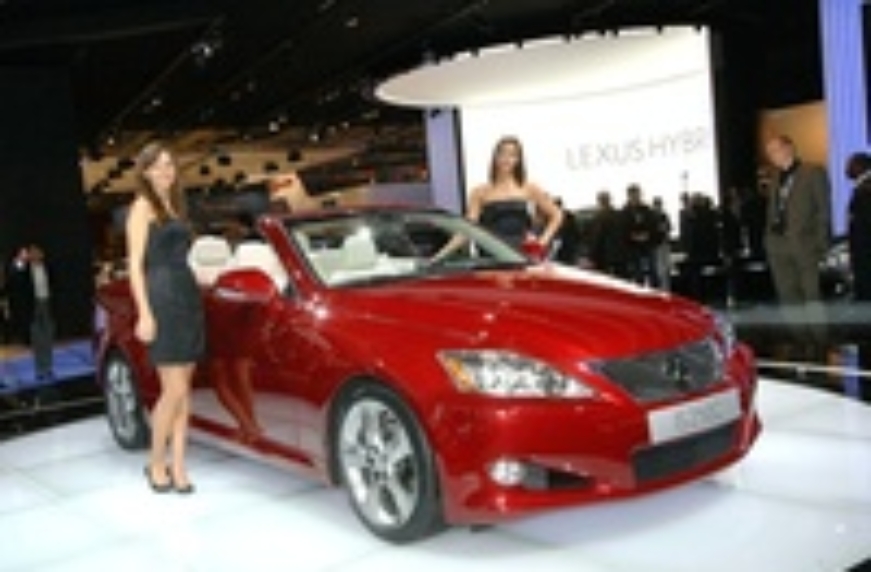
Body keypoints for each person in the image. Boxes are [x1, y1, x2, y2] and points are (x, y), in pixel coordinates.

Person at [126, 141, 205, 494]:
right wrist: (144, 312)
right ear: (145, 172)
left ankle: (179, 465)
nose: (165, 171)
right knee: (173, 390)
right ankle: (156, 462)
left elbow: (182, 255)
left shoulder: (177, 206)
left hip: (187, 294)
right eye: (157, 165)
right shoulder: (142, 207)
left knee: (183, 392)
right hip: (162, 297)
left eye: (170, 164)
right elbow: (134, 265)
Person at [763, 134, 831, 359]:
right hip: (778, 245)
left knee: (812, 296)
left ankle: (820, 342)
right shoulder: (775, 178)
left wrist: (821, 244)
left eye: (776, 149)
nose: (773, 156)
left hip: (805, 244)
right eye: (769, 152)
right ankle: (802, 341)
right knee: (788, 297)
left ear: (789, 148)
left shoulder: (813, 172)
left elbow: (823, 211)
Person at [468, 136, 563, 250]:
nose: (506, 159)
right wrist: (448, 251)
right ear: (495, 157)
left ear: (518, 160)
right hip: (492, 251)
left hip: (520, 252)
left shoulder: (528, 188)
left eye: (512, 155)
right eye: (502, 153)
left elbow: (556, 215)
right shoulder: (479, 192)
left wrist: (542, 242)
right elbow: (469, 226)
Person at [5, 244, 55, 379]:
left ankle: (48, 368)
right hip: (34, 306)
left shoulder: (48, 267)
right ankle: (40, 370)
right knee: (37, 341)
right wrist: (20, 260)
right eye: (32, 252)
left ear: (42, 254)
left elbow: (55, 285)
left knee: (48, 339)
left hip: (47, 304)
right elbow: (13, 273)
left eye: (37, 252)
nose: (35, 254)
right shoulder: (25, 269)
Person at [846, 151, 871, 301]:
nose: (847, 168)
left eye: (850, 164)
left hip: (866, 248)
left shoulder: (866, 188)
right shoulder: (861, 187)